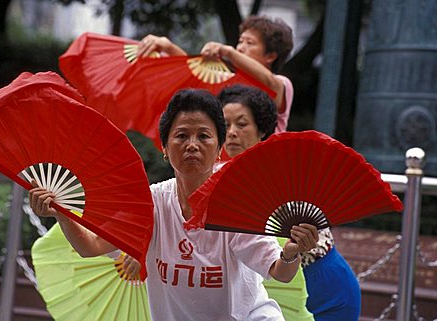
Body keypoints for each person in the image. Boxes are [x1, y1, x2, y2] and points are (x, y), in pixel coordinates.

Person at [29, 88, 319, 321]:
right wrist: (61, 213)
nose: (192, 144)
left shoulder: (235, 203)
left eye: (203, 136)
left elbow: (280, 271)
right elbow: (89, 246)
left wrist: (292, 253)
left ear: (219, 149)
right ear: (165, 149)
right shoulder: (151, 203)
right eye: (181, 136)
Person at [217, 84, 362, 321]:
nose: (232, 132)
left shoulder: (286, 172)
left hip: (325, 281)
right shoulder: (218, 179)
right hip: (272, 287)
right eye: (225, 125)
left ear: (261, 129)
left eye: (242, 124)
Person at [137, 15, 294, 133]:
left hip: (262, 167)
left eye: (249, 43)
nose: (240, 47)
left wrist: (227, 51)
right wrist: (168, 47)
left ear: (271, 56)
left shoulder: (281, 84)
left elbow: (271, 83)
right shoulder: (231, 84)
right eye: (240, 41)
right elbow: (194, 79)